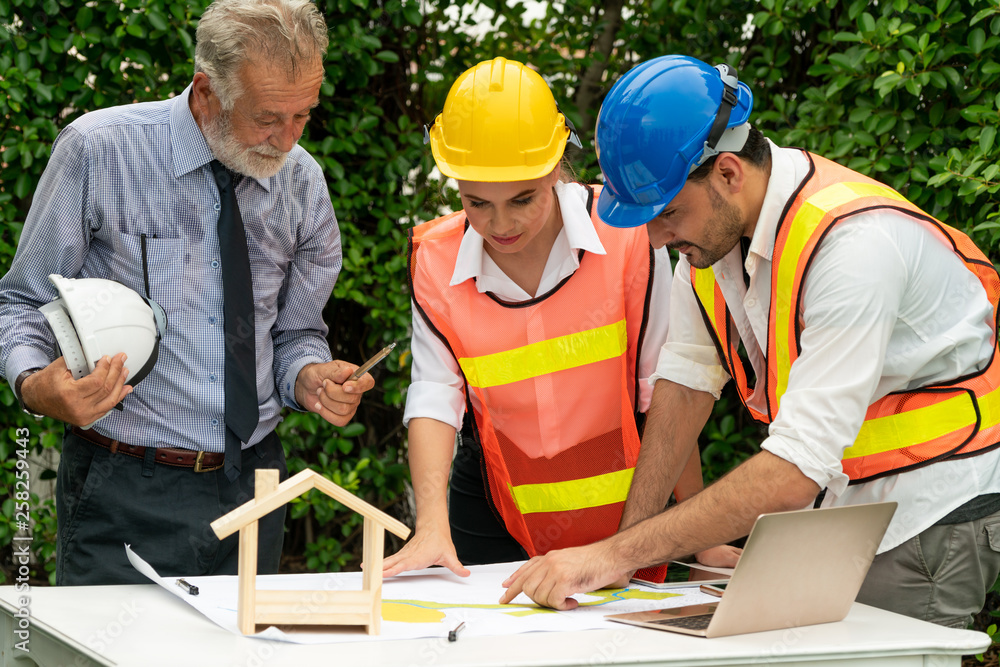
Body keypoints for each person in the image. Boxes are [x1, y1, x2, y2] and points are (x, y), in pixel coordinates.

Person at [500, 54, 1000, 629]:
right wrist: (623, 553)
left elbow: (793, 469)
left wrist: (610, 556)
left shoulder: (854, 248)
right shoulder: (711, 245)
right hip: (843, 509)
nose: (656, 236)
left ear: (729, 173)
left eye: (666, 213)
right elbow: (685, 385)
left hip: (930, 513)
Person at [0, 0, 375, 586]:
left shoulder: (303, 182)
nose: (288, 140)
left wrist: (306, 377)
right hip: (125, 488)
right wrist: (34, 386)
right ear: (206, 91)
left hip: (257, 485)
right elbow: (20, 301)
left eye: (305, 114)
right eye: (268, 117)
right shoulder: (100, 151)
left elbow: (295, 334)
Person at [383, 57, 736, 580]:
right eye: (476, 202)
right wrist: (432, 526)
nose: (500, 224)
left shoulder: (628, 237)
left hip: (626, 509)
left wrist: (697, 531)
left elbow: (668, 391)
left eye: (522, 199)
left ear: (555, 168)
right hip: (493, 511)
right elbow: (435, 396)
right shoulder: (433, 261)